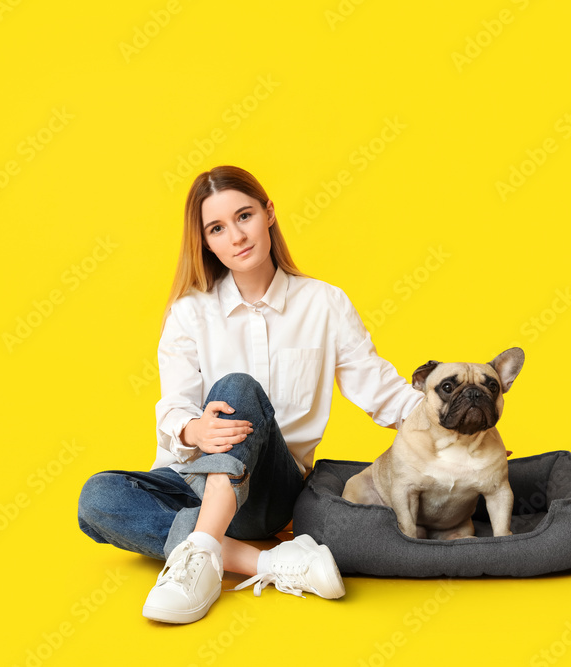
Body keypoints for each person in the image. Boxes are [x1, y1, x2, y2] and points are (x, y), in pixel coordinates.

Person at [77, 165, 425, 624]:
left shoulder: (323, 303)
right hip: (192, 481)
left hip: (266, 495)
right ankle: (269, 563)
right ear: (206, 242)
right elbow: (175, 405)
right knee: (98, 499)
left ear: (269, 214)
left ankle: (199, 553)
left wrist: (455, 424)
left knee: (236, 388)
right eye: (217, 228)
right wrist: (192, 427)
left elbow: (381, 390)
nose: (236, 236)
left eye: (244, 217)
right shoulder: (189, 314)